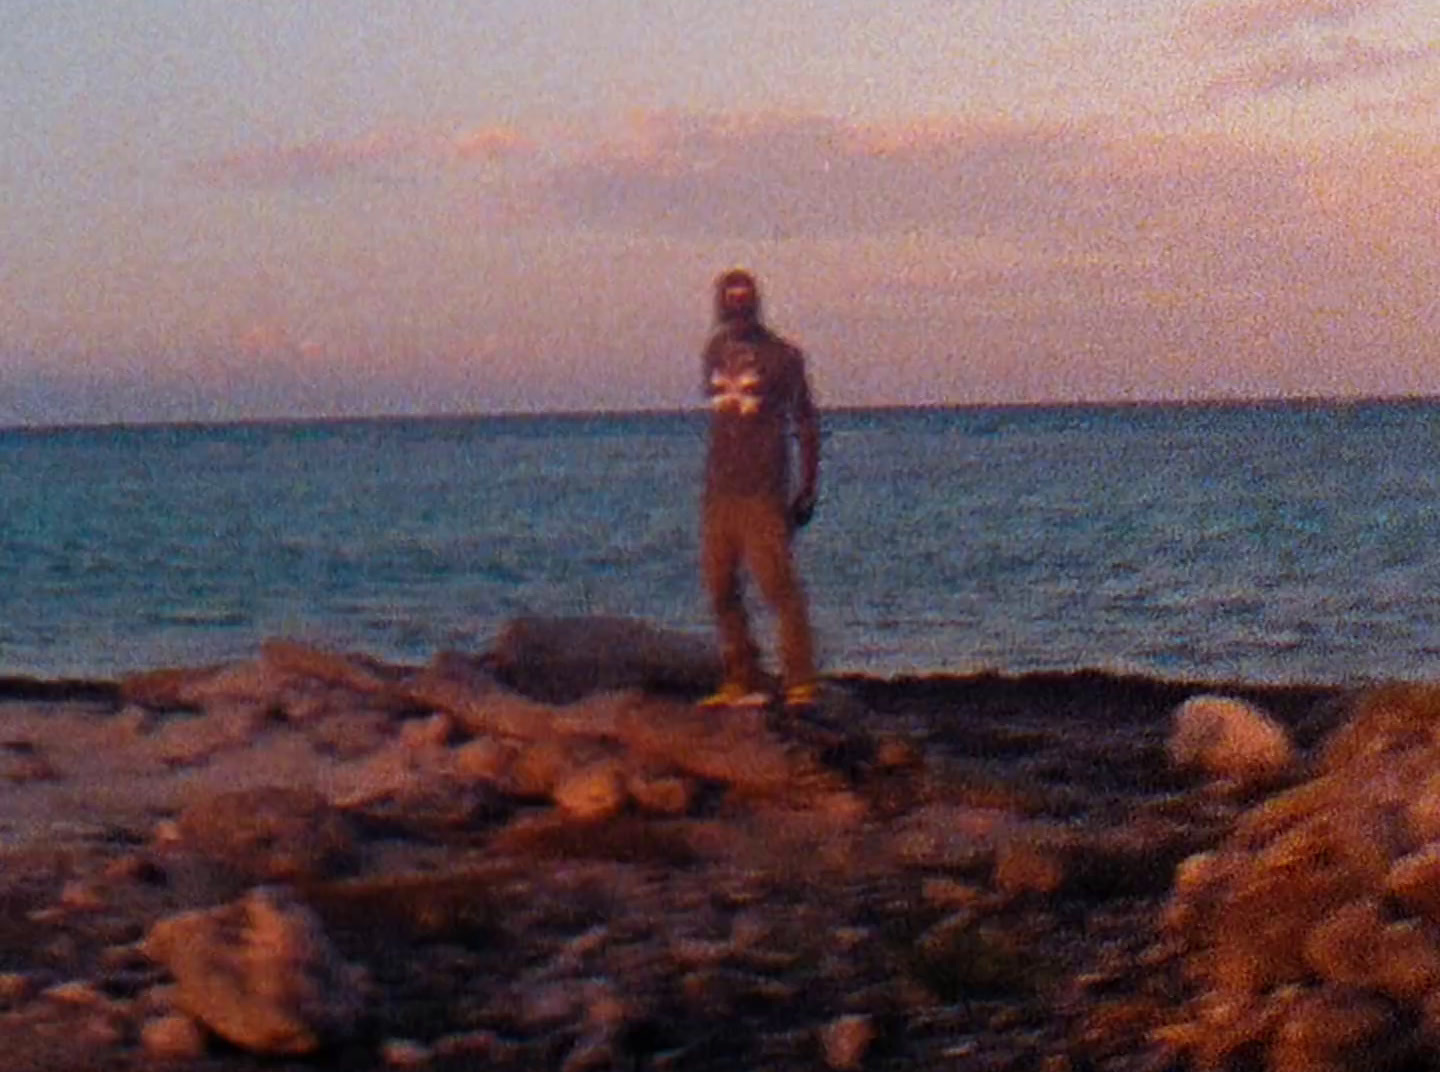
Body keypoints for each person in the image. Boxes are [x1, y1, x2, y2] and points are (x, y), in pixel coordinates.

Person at [698, 268, 821, 711]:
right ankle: (740, 676)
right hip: (719, 492)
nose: (737, 309)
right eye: (730, 301)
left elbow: (805, 421)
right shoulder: (714, 352)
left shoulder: (784, 358)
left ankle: (801, 681)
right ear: (720, 305)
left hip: (763, 492)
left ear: (756, 304)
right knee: (719, 586)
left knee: (778, 586)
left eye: (744, 300)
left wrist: (807, 487)